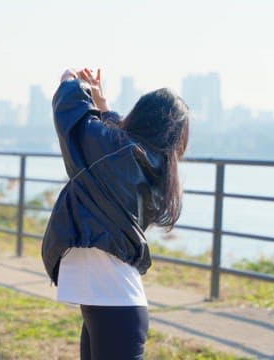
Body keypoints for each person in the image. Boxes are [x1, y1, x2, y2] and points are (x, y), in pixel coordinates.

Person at [41, 67, 190, 359]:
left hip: (114, 305)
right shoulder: (154, 167)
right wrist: (103, 105)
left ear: (141, 116)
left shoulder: (116, 155)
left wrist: (70, 83)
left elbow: (74, 119)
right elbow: (110, 142)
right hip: (109, 304)